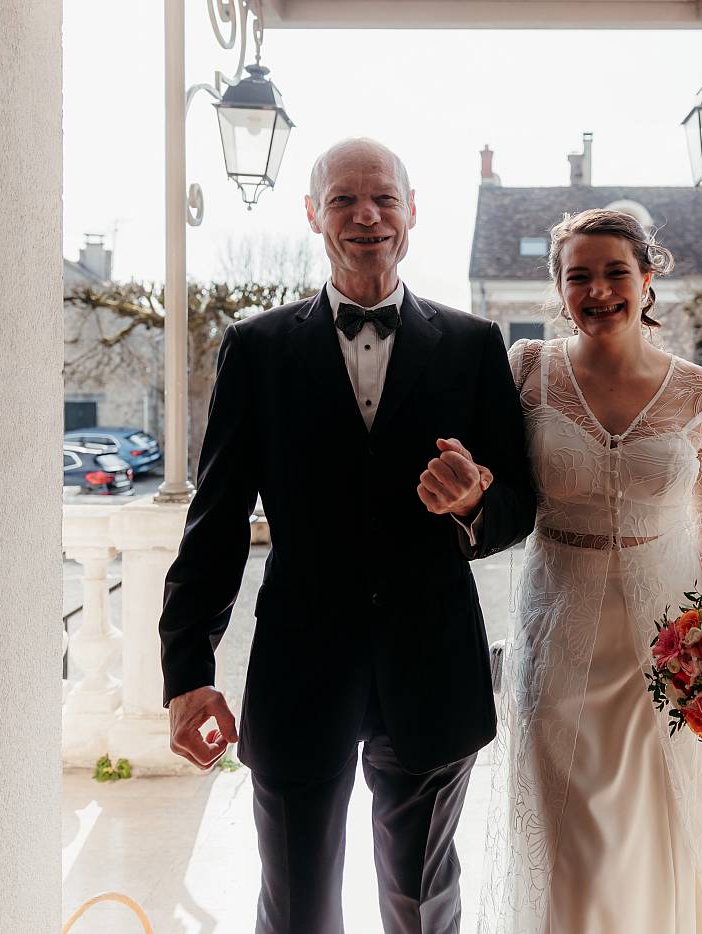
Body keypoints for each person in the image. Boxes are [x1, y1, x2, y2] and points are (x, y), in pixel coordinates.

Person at [158, 138, 537, 934]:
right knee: (296, 906)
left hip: (432, 668)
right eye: (342, 199)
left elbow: (519, 509)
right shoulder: (255, 348)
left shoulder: (474, 346)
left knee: (421, 902)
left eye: (383, 199)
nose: (365, 215)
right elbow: (217, 520)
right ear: (312, 214)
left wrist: (474, 502)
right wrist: (187, 669)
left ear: (410, 216)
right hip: (300, 669)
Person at [479, 209, 702, 934]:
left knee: (653, 831)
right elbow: (493, 489)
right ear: (559, 290)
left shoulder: (699, 391)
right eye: (579, 277)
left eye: (615, 273)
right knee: (576, 842)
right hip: (558, 633)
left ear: (648, 280)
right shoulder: (527, 371)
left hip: (667, 646)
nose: (598, 291)